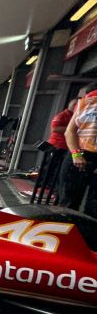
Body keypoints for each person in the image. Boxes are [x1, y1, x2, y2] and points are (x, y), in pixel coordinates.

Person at [59, 90, 97, 218]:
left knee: (94, 209)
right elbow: (70, 131)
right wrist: (76, 154)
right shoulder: (87, 101)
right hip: (80, 154)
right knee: (68, 204)